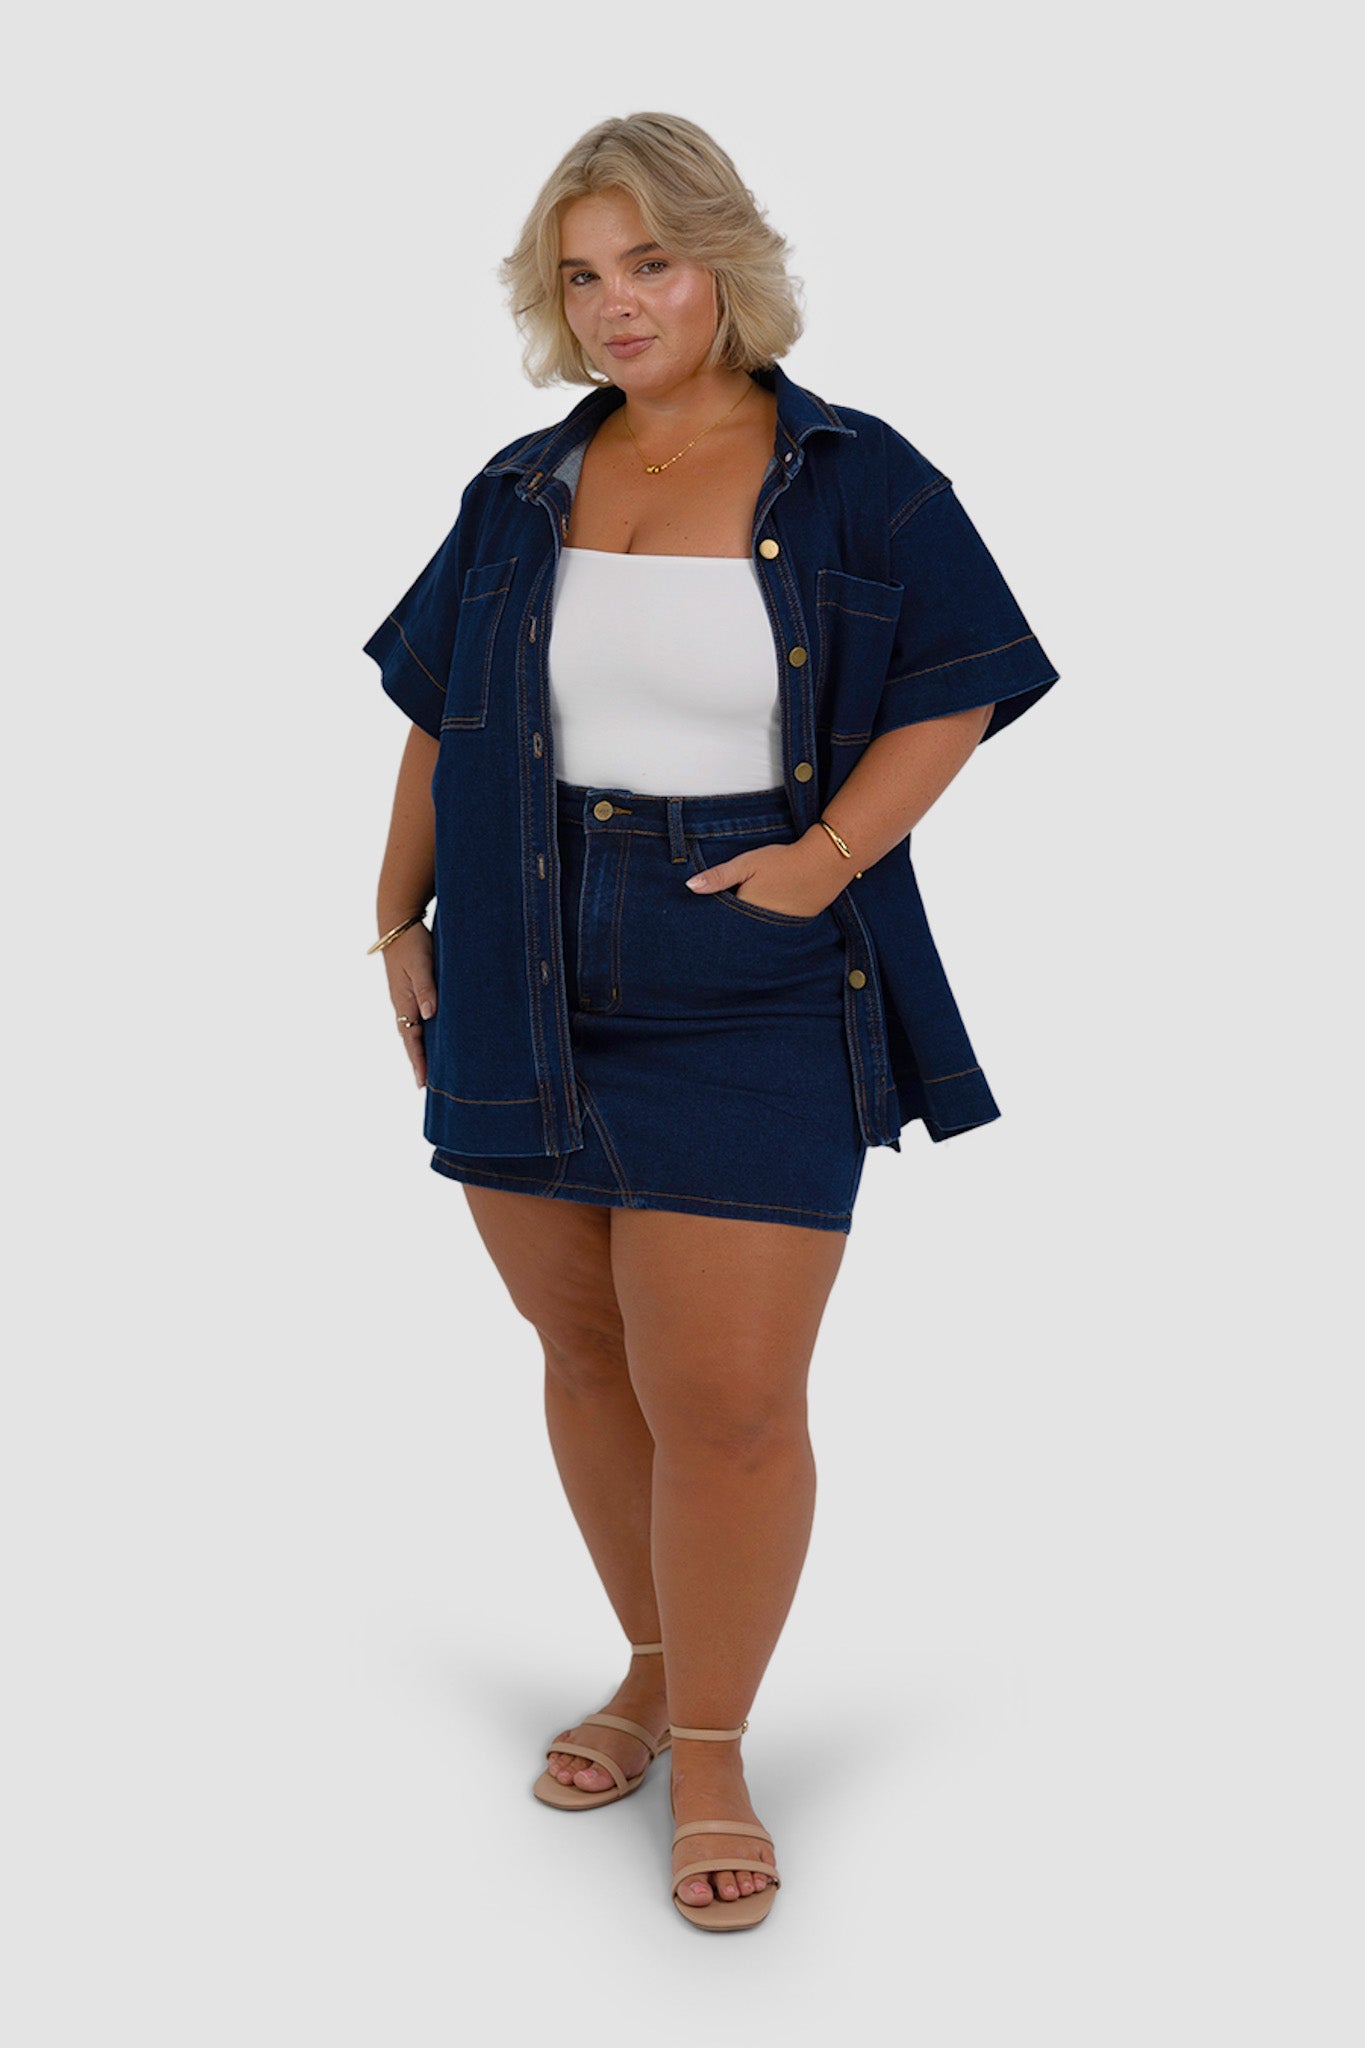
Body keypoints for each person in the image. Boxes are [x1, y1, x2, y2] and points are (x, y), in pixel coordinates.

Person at [362, 111, 1059, 1932]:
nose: (616, 304)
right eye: (580, 275)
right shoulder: (520, 484)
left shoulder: (853, 472)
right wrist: (394, 919)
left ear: (723, 263)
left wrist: (824, 862)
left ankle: (719, 1749)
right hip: (511, 948)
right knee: (584, 1350)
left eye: (648, 264)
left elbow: (958, 685)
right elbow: (439, 714)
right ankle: (657, 1668)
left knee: (730, 1402)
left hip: (743, 959)